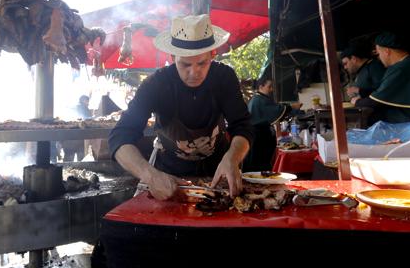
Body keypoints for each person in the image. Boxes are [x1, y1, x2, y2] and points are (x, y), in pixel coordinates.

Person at [108, 14, 254, 199]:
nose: (194, 72)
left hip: (219, 173)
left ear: (213, 54)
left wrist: (232, 158)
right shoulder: (156, 84)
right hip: (170, 176)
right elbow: (120, 136)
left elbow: (242, 126)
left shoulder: (224, 78)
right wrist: (150, 175)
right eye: (185, 64)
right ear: (172, 56)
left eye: (202, 63)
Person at [243, 77, 301, 172]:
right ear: (261, 86)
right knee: (257, 166)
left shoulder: (259, 98)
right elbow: (276, 110)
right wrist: (291, 106)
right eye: (269, 87)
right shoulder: (258, 100)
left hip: (259, 137)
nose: (271, 89)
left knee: (258, 164)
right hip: (259, 138)